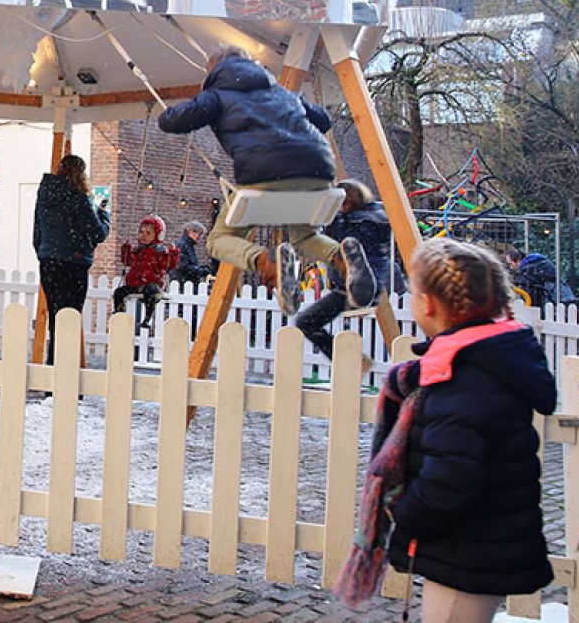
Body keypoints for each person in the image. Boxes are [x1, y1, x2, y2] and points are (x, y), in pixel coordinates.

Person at [375, 239, 555, 621]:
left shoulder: (462, 376)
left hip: (466, 551)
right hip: (479, 544)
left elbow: (451, 477)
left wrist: (405, 513)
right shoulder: (494, 359)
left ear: (428, 304)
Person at [157, 44, 376, 317]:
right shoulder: (280, 93)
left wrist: (165, 114)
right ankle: (341, 257)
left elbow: (173, 121)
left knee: (219, 238)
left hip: (267, 172)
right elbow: (322, 120)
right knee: (305, 236)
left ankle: (265, 260)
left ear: (212, 70)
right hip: (318, 170)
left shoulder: (216, 95)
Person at [294, 180, 402, 359]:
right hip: (365, 287)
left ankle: (350, 358)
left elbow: (328, 238)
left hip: (358, 289)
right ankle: (353, 360)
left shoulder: (353, 223)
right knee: (306, 322)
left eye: (342, 203)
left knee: (306, 322)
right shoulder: (378, 218)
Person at [33, 154, 110, 364]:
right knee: (70, 319)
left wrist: (45, 252)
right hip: (72, 264)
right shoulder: (78, 198)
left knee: (55, 319)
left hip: (49, 262)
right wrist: (104, 216)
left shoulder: (44, 195)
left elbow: (37, 232)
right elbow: (98, 233)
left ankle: (51, 371)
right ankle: (65, 372)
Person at [112, 215, 178, 329]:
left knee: (151, 293)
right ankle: (119, 311)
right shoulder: (138, 251)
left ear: (158, 235)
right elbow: (127, 261)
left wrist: (173, 253)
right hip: (135, 283)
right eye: (141, 232)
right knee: (119, 292)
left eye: (148, 233)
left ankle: (148, 317)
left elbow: (168, 265)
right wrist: (126, 250)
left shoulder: (159, 252)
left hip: (151, 282)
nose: (143, 236)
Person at [506, 247, 573, 308]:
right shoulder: (539, 265)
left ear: (518, 261)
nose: (511, 268)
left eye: (510, 264)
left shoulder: (527, 272)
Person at [169, 220, 211, 287]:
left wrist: (201, 269)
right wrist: (202, 271)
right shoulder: (183, 245)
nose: (200, 237)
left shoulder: (188, 245)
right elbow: (184, 267)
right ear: (191, 232)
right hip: (183, 285)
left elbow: (189, 265)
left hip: (186, 285)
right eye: (199, 234)